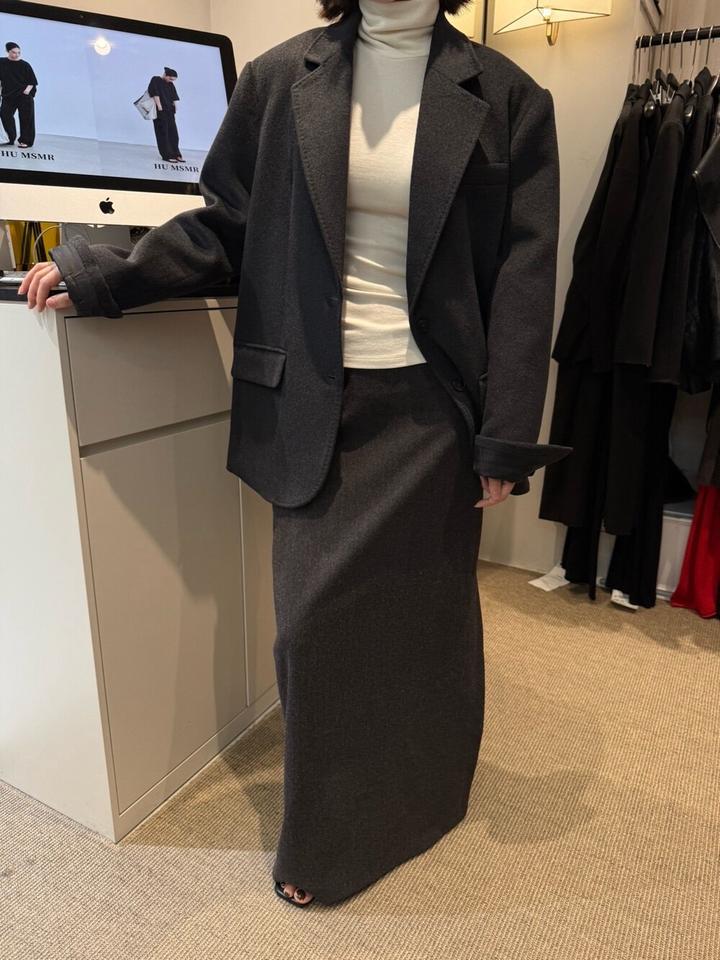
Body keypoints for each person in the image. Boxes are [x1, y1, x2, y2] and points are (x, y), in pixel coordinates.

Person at [19, 0, 571, 908]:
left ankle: (427, 797)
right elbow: (224, 225)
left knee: (425, 619)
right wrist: (106, 275)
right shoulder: (281, 78)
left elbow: (525, 274)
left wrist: (506, 431)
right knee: (311, 630)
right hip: (312, 397)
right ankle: (329, 837)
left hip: (432, 408)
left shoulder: (509, 97)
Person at [0, 42, 38, 148]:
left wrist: (26, 91)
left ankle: (26, 141)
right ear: (7, 51)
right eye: (13, 52)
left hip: (24, 96)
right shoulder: (2, 62)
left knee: (26, 118)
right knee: (4, 115)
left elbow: (32, 81)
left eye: (18, 52)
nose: (16, 55)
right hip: (8, 95)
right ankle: (10, 138)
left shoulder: (25, 65)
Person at [148, 67, 183, 163]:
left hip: (170, 111)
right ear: (165, 75)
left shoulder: (170, 84)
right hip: (160, 110)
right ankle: (167, 155)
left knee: (173, 133)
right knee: (163, 133)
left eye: (173, 80)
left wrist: (175, 106)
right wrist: (159, 107)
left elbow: (174, 96)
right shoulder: (156, 79)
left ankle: (176, 154)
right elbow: (154, 93)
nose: (171, 81)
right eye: (170, 78)